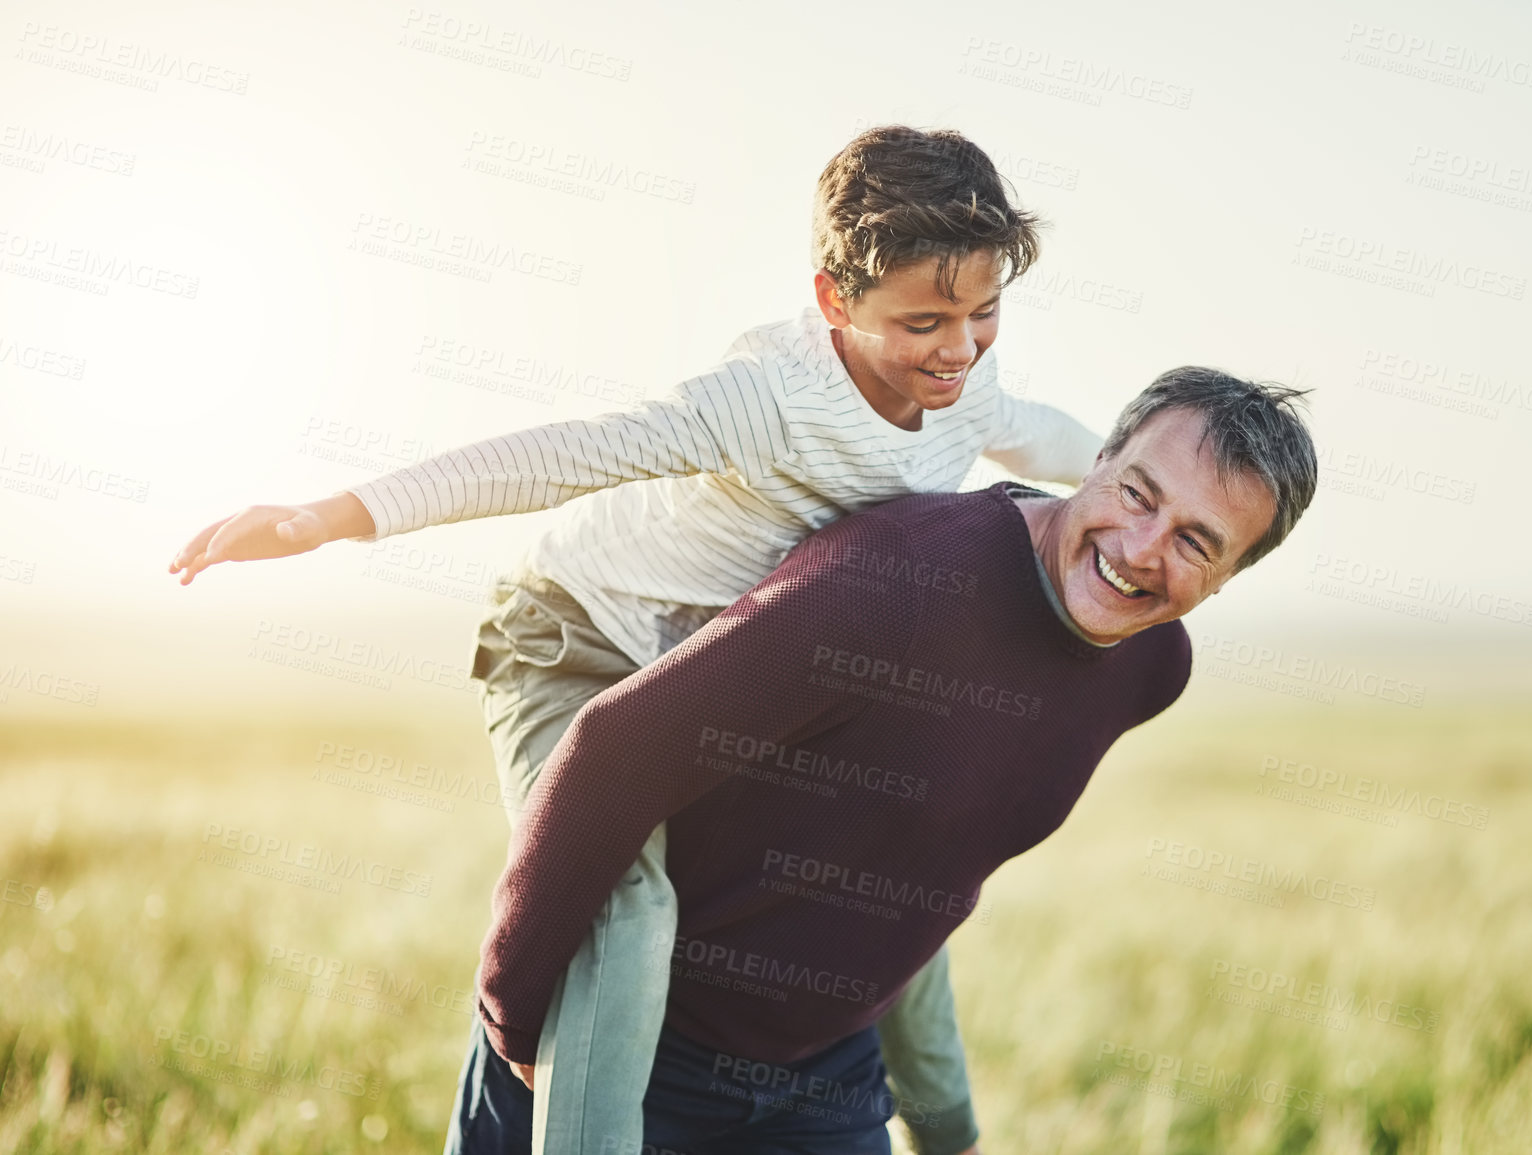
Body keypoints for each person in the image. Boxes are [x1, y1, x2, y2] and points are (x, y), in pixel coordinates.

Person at [169, 125, 1099, 1155]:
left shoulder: (967, 398)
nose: (960, 348)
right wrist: (329, 516)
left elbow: (1054, 442)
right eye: (924, 321)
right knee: (627, 913)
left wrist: (1139, 497)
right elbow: (573, 455)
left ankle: (949, 1134)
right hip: (572, 641)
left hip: (714, 671)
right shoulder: (771, 399)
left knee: (885, 847)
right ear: (837, 302)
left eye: (984, 314)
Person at [474, 369, 1318, 1152]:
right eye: (1137, 493)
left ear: (1229, 573)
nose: (1140, 548)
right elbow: (612, 747)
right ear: (1098, 459)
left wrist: (943, 1120)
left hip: (828, 1090)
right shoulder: (897, 581)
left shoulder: (1150, 668)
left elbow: (935, 849)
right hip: (633, 1058)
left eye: (1195, 541)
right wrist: (514, 1009)